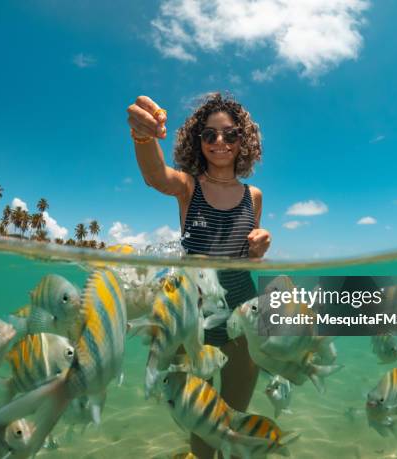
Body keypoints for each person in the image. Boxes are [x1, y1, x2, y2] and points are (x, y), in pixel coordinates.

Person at [127, 92, 271, 458]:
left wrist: (258, 249)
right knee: (202, 419)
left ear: (244, 141)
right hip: (194, 318)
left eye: (230, 134)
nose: (220, 142)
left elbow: (248, 260)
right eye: (210, 135)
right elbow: (156, 176)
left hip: (242, 311)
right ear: (198, 141)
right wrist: (144, 137)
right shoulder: (189, 187)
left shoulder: (252, 196)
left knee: (234, 416)